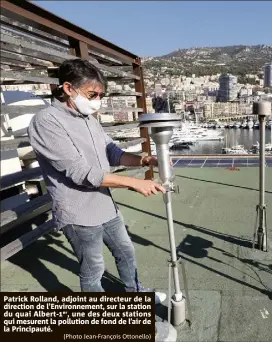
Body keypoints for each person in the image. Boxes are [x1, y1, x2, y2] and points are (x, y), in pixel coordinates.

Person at [28, 58, 166, 304]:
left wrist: (145, 160)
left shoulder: (90, 119)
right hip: (78, 212)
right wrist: (134, 183)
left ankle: (135, 293)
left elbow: (112, 152)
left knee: (126, 251)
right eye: (92, 94)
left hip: (105, 205)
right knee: (93, 270)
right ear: (69, 88)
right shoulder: (46, 121)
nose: (97, 102)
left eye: (100, 95)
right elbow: (80, 172)